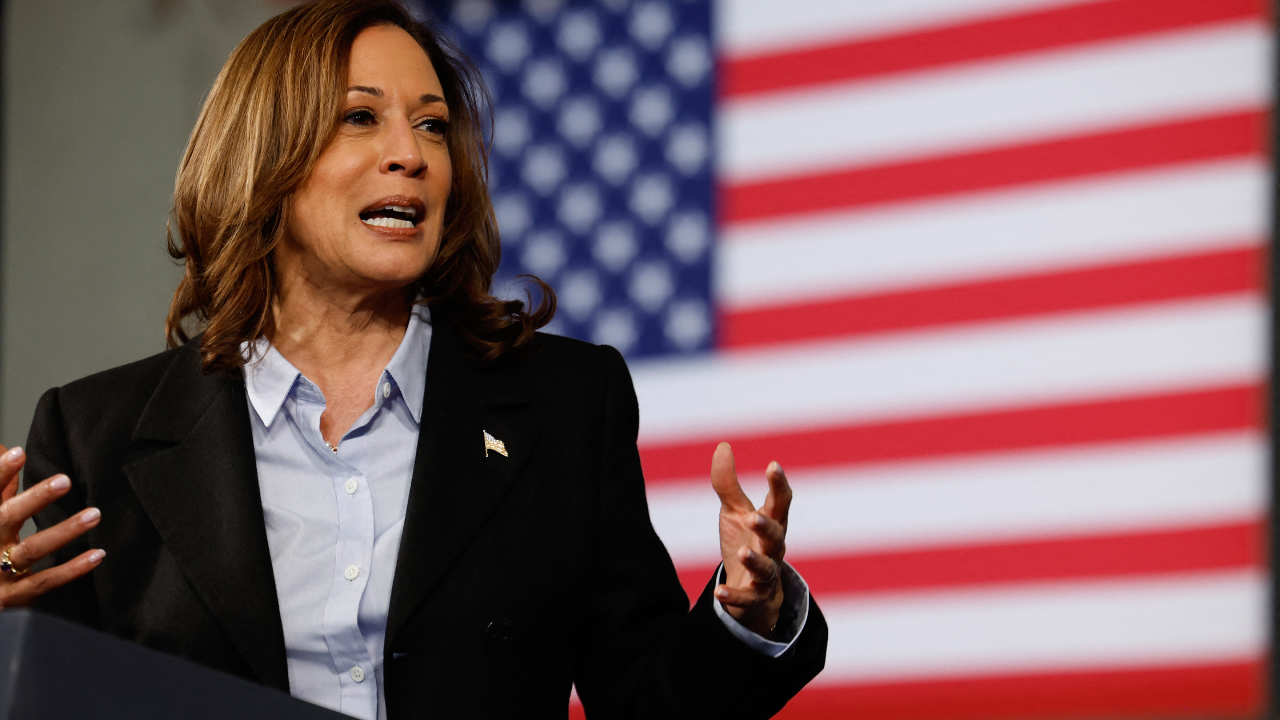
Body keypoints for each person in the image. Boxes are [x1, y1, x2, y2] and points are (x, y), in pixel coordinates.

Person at [0, 1, 827, 717]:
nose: (414, 154)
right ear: (264, 158)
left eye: (432, 123)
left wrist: (748, 613)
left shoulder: (569, 402)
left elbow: (647, 700)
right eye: (362, 117)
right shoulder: (94, 435)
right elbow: (58, 698)